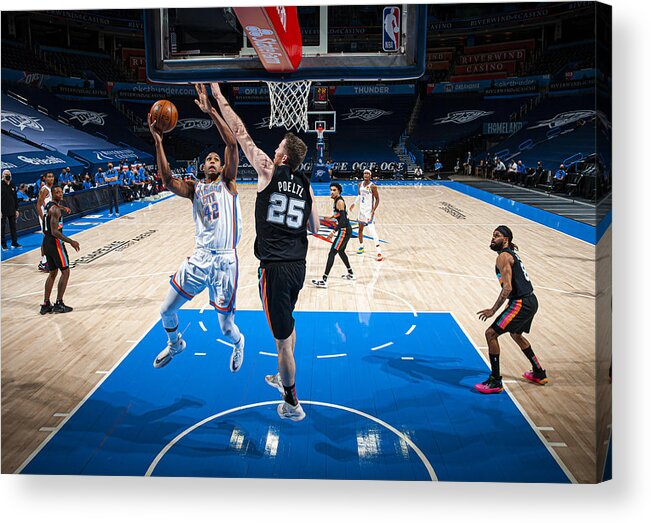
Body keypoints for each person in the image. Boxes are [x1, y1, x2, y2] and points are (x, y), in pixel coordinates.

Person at [211, 81, 320, 422]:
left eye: (276, 148)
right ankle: (282, 375)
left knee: (282, 342)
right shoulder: (307, 185)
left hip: (273, 269)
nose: (271, 152)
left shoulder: (267, 170)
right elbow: (314, 228)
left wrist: (217, 96)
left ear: (283, 156)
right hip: (298, 267)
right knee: (288, 330)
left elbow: (240, 131)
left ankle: (292, 403)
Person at [148, 83, 245, 373]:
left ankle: (240, 344)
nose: (213, 161)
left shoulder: (228, 182)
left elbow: (231, 145)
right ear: (203, 168)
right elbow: (166, 180)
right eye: (209, 160)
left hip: (226, 261)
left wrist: (211, 111)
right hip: (200, 257)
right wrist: (158, 141)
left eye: (216, 159)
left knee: (227, 328)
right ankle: (175, 343)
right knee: (166, 310)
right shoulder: (194, 189)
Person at [475, 226, 547, 394]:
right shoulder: (511, 254)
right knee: (516, 334)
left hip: (521, 303)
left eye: (497, 236)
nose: (492, 238)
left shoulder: (503, 257)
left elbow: (507, 288)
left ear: (505, 239)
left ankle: (495, 381)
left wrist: (493, 310)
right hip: (530, 300)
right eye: (492, 235)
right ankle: (538, 372)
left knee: (490, 334)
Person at [40, 185, 80, 314]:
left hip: (46, 242)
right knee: (65, 272)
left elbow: (54, 208)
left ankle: (46, 303)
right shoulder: (55, 210)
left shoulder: (50, 206)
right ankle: (59, 302)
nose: (60, 194)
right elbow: (55, 231)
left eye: (61, 192)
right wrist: (71, 242)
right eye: (57, 192)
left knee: (53, 272)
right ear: (52, 194)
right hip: (55, 243)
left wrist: (63, 207)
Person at [311, 182, 355, 287]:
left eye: (334, 190)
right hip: (346, 230)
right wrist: (331, 217)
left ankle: (324, 280)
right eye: (331, 189)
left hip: (344, 230)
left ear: (339, 191)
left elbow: (343, 220)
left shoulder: (339, 201)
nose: (331, 192)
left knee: (332, 253)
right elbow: (340, 214)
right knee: (341, 251)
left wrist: (333, 231)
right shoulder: (337, 200)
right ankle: (351, 273)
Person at [350, 169, 383, 261]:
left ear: (370, 176)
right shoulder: (360, 184)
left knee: (372, 231)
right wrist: (354, 203)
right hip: (361, 211)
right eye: (365, 173)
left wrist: (373, 210)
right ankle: (361, 246)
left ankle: (379, 251)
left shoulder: (373, 186)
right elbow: (360, 196)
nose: (366, 175)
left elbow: (377, 199)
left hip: (369, 212)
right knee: (360, 230)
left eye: (368, 173)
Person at [1, 170, 22, 250]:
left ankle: (14, 242)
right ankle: (3, 244)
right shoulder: (1, 185)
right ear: (3, 175)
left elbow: (15, 198)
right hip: (3, 210)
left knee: (13, 227)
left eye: (9, 174)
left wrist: (16, 209)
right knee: (2, 228)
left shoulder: (12, 185)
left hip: (12, 209)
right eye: (6, 174)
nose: (7, 176)